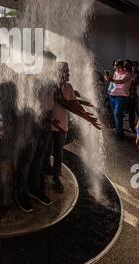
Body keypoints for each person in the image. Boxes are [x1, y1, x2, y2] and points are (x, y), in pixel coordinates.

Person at [47, 62, 100, 192]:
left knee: (59, 154)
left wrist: (86, 114)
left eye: (68, 70)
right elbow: (49, 105)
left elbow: (74, 104)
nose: (69, 73)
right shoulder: (50, 85)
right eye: (66, 71)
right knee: (46, 152)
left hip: (62, 127)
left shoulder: (68, 86)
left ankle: (56, 178)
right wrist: (86, 117)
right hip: (49, 126)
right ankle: (47, 170)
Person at [105, 59, 132, 139]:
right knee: (115, 114)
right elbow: (113, 83)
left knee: (117, 114)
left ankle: (119, 135)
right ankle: (117, 131)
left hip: (121, 97)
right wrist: (107, 78)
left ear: (122, 66)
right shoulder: (116, 72)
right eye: (115, 66)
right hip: (112, 96)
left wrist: (111, 79)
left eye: (117, 66)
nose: (115, 67)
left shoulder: (127, 74)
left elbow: (121, 81)